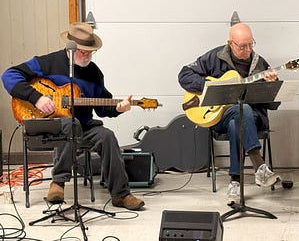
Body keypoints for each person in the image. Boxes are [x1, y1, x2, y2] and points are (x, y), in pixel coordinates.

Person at [1, 22, 145, 211]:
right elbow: (8, 75)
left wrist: (119, 108)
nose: (88, 56)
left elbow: (104, 106)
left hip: (83, 127)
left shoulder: (94, 73)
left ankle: (121, 194)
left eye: (90, 51)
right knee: (71, 122)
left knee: (107, 135)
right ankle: (58, 183)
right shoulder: (47, 63)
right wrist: (36, 98)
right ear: (70, 47)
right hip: (51, 126)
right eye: (83, 51)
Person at [178, 22, 280, 204]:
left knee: (241, 114)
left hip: (253, 118)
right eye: (242, 46)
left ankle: (235, 182)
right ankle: (260, 167)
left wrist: (271, 85)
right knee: (238, 114)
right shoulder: (214, 57)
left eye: (251, 44)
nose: (248, 50)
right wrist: (212, 88)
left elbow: (273, 104)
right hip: (218, 116)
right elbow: (184, 75)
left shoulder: (260, 64)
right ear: (230, 43)